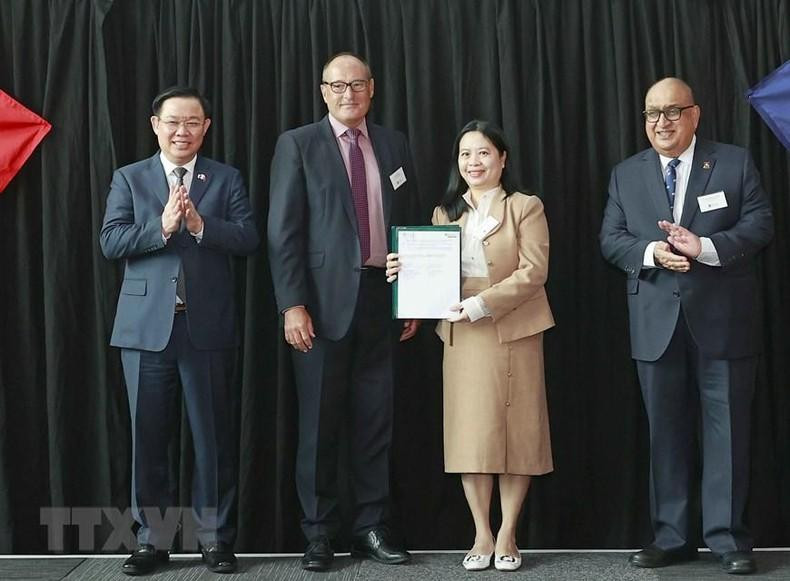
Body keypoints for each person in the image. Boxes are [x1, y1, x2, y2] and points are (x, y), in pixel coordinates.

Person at [600, 78, 773, 575]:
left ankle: (728, 540)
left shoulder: (734, 162)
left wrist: (705, 249)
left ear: (695, 115)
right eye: (652, 114)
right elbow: (611, 239)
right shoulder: (625, 174)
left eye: (673, 111)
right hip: (656, 324)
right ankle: (671, 536)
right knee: (666, 435)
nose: (662, 122)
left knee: (729, 435)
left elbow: (761, 224)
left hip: (724, 322)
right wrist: (652, 252)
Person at [267, 52, 419, 572]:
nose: (347, 93)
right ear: (323, 91)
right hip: (320, 307)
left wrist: (413, 297)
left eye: (356, 84)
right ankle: (319, 533)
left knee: (376, 421)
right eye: (337, 85)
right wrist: (292, 304)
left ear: (372, 88)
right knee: (319, 426)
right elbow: (282, 232)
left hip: (383, 300)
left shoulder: (395, 142)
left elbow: (410, 223)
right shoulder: (299, 144)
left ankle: (371, 527)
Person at [100, 86, 259, 575]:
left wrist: (199, 224)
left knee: (212, 439)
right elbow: (111, 240)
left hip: (206, 329)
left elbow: (249, 238)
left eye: (192, 122)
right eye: (173, 122)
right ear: (155, 125)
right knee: (149, 440)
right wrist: (163, 226)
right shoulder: (129, 178)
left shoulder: (226, 178)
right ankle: (152, 541)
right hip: (145, 332)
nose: (182, 131)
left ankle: (214, 540)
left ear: (206, 127)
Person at [387, 120, 555, 571]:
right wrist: (404, 270)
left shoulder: (525, 206)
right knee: (471, 435)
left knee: (518, 434)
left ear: (502, 159)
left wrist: (483, 302)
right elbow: (432, 274)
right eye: (465, 154)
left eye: (483, 153)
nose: (473, 162)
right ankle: (481, 532)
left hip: (513, 331)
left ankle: (508, 534)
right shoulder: (445, 212)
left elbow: (533, 271)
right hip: (462, 336)